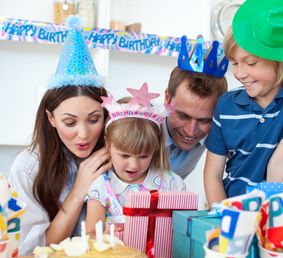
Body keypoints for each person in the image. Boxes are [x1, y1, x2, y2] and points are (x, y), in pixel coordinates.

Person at [9, 16, 111, 255]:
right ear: (51, 118)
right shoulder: (28, 166)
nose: (84, 134)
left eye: (94, 119)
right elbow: (31, 252)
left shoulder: (114, 154)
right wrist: (79, 189)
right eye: (69, 122)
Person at [204, 0, 283, 207]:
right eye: (234, 63)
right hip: (234, 214)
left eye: (250, 63)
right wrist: (222, 218)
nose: (239, 73)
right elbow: (212, 174)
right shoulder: (226, 106)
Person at [85, 83, 186, 236]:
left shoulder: (173, 185)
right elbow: (90, 234)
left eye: (143, 156)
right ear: (108, 144)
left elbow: (181, 233)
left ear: (155, 148)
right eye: (125, 155)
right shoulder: (102, 187)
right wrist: (104, 234)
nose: (133, 165)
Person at [163, 35, 228, 179]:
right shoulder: (142, 124)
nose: (191, 131)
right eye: (182, 116)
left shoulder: (217, 131)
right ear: (167, 99)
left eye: (204, 120)